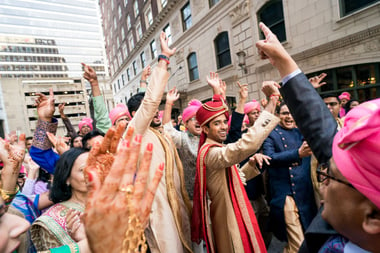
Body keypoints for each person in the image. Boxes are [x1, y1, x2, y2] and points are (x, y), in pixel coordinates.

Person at [256, 21, 380, 252]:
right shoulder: (349, 219)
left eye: (330, 176)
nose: (323, 186)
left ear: (373, 217)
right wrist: (283, 61)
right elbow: (324, 135)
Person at [191, 83, 280, 252]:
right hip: (228, 219)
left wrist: (251, 165)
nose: (224, 126)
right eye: (217, 123)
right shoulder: (210, 152)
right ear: (205, 128)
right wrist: (272, 101)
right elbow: (246, 145)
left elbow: (234, 179)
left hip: (234, 212)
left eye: (225, 121)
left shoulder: (218, 147)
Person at [126, 32, 192, 253]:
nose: (157, 113)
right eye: (152, 110)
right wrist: (163, 58)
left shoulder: (159, 133)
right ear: (137, 114)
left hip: (177, 206)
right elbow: (151, 100)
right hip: (157, 210)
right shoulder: (136, 131)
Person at [262, 102, 317, 252]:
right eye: (285, 113)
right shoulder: (271, 135)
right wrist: (297, 154)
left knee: (306, 241)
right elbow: (269, 158)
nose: (289, 116)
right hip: (285, 197)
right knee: (298, 243)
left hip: (306, 196)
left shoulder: (303, 133)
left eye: (291, 113)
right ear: (279, 115)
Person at [30, 148, 88, 251]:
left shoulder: (115, 205)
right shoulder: (51, 222)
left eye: (95, 167)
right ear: (67, 178)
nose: (92, 174)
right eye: (83, 170)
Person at [162, 88, 202, 199]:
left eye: (200, 118)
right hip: (191, 196)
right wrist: (169, 103)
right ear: (186, 123)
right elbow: (167, 129)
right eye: (194, 118)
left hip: (212, 194)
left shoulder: (210, 137)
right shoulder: (182, 138)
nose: (198, 121)